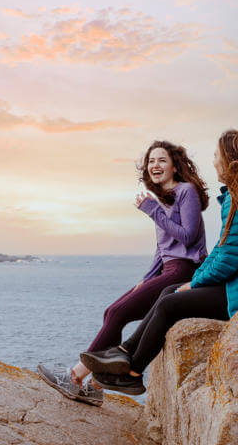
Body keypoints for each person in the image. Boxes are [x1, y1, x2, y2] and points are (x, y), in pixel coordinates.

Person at [79, 129, 238, 394]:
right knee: (169, 292)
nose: (215, 162)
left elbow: (227, 261)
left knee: (171, 302)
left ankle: (133, 371)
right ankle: (124, 352)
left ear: (231, 161)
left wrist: (194, 284)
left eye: (217, 156)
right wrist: (193, 281)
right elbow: (220, 251)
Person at [38, 140, 209, 404]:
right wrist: (147, 278)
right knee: (112, 312)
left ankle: (74, 377)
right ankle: (95, 387)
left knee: (117, 313)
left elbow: (187, 237)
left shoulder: (186, 191)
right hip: (168, 270)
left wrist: (153, 212)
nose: (155, 165)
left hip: (185, 271)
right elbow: (163, 249)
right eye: (151, 161)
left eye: (162, 160)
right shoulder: (162, 200)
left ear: (175, 166)